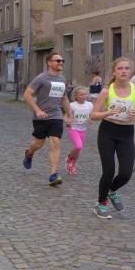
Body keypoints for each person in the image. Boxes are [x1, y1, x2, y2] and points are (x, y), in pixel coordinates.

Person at [89, 57, 135, 219]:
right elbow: (93, 115)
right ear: (114, 72)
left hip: (126, 133)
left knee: (126, 173)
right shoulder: (107, 91)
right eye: (120, 68)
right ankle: (101, 203)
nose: (124, 71)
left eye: (127, 68)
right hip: (108, 131)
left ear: (131, 71)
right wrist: (108, 112)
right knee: (108, 171)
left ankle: (112, 191)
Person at [22, 52, 72, 186]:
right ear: (49, 63)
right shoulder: (41, 78)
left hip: (56, 115)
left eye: (62, 60)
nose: (61, 62)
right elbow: (27, 94)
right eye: (58, 60)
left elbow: (64, 98)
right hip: (41, 116)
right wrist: (37, 110)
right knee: (38, 143)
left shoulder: (62, 79)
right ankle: (29, 153)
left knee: (55, 143)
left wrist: (69, 114)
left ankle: (53, 175)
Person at [65, 86, 92, 175]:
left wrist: (90, 119)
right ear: (76, 96)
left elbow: (91, 115)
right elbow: (66, 116)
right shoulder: (72, 105)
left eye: (85, 94)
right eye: (81, 95)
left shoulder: (89, 105)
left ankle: (71, 165)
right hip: (73, 128)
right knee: (78, 146)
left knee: (78, 150)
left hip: (83, 129)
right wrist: (67, 121)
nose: (83, 96)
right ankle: (69, 158)